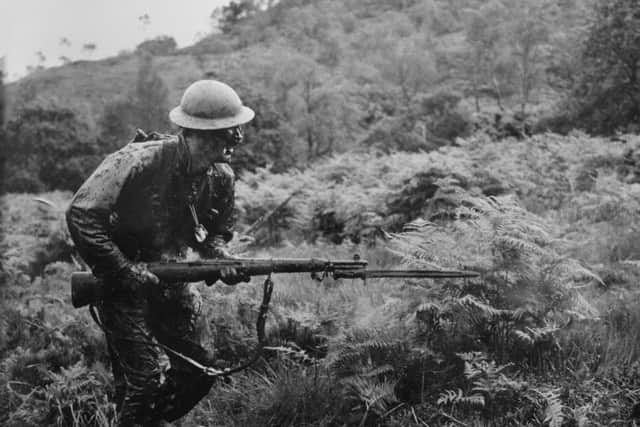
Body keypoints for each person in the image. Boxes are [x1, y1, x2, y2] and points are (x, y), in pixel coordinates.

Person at [66, 79, 254, 426]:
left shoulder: (222, 178)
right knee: (143, 380)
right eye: (229, 132)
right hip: (120, 283)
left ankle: (149, 420)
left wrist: (221, 259)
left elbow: (211, 239)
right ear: (199, 134)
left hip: (171, 279)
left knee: (202, 370)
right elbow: (82, 215)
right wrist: (123, 270)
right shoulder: (137, 161)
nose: (237, 139)